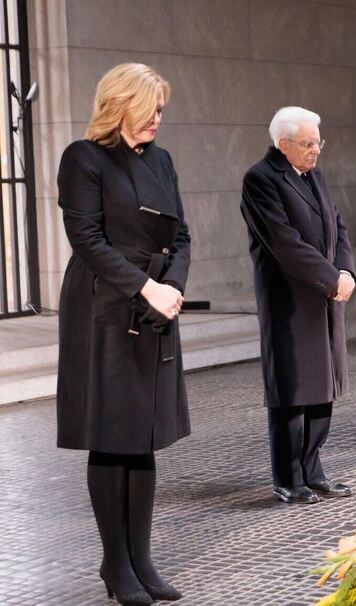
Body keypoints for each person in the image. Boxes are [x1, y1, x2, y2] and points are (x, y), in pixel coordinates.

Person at [56, 63, 189, 605]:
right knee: (113, 436)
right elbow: (86, 237)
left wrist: (172, 287)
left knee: (144, 435)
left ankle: (142, 561)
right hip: (105, 308)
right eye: (151, 107)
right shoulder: (83, 158)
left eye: (161, 108)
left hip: (156, 305)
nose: (158, 118)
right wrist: (144, 287)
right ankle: (116, 566)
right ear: (121, 103)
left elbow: (181, 234)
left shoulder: (162, 160)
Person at [241, 107, 356, 505]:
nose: (316, 150)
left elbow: (337, 227)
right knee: (292, 390)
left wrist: (346, 272)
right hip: (289, 301)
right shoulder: (260, 180)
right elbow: (284, 242)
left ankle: (313, 469)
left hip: (324, 296)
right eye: (308, 144)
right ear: (283, 144)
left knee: (322, 385)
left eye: (318, 142)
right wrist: (330, 278)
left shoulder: (315, 177)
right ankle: (287, 478)